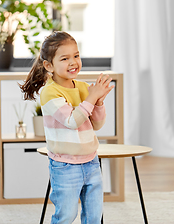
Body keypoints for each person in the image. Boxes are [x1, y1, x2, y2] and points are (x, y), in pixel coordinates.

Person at [20, 31, 114, 224]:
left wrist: (98, 102)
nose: (73, 62)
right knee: (66, 216)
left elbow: (96, 125)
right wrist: (90, 97)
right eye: (65, 58)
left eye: (76, 56)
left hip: (91, 162)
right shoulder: (50, 92)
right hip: (65, 166)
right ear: (48, 65)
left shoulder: (81, 87)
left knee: (94, 216)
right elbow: (72, 121)